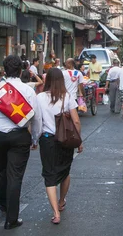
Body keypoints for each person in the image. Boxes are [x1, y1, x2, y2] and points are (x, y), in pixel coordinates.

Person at [0, 55, 40, 230]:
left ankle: (3, 203)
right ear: (21, 71)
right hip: (20, 136)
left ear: (4, 71)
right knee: (15, 176)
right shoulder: (28, 91)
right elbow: (36, 117)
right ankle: (11, 219)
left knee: (2, 170)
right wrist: (35, 138)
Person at [36, 68, 83, 225]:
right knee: (65, 171)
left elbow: (37, 121)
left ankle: (56, 213)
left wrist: (34, 139)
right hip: (65, 140)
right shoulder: (67, 97)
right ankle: (62, 200)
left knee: (49, 175)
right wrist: (79, 141)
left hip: (47, 140)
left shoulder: (40, 97)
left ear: (47, 80)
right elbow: (76, 121)